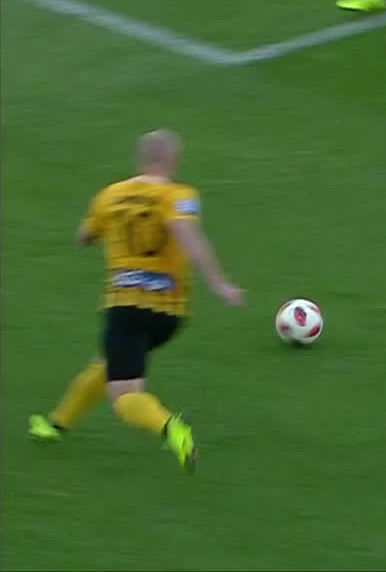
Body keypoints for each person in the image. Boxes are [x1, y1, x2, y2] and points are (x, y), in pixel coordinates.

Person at [28, 129, 244, 473]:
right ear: (173, 160)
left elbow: (83, 237)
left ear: (141, 158)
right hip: (169, 315)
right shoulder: (180, 195)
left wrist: (101, 228)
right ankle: (56, 424)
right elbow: (187, 234)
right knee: (107, 362)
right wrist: (219, 284)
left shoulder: (111, 195)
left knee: (125, 397)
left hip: (126, 307)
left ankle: (170, 427)